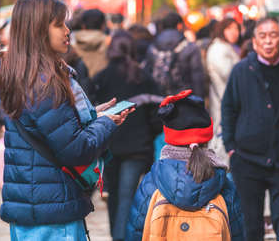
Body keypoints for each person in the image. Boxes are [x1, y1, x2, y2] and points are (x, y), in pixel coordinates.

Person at [0, 0, 132, 241]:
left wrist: (91, 115)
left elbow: (52, 131)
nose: (67, 31)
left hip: (35, 205)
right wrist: (104, 123)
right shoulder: (45, 83)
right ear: (37, 29)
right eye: (59, 24)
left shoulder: (21, 75)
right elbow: (76, 149)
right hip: (52, 213)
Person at [222, 17, 279, 241]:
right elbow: (229, 109)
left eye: (273, 36)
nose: (268, 41)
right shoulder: (241, 70)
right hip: (248, 158)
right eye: (263, 36)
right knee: (251, 225)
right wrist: (231, 147)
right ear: (254, 41)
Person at [125, 89, 245, 241]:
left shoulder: (151, 183)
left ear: (170, 138)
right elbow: (238, 233)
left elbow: (136, 231)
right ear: (207, 139)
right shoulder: (225, 186)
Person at [92, 31, 161, 241]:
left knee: (114, 197)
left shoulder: (101, 77)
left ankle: (117, 236)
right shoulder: (143, 77)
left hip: (109, 146)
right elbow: (156, 115)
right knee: (127, 197)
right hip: (137, 147)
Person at [143, 12, 206, 97]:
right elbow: (197, 76)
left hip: (159, 96)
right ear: (179, 25)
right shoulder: (189, 46)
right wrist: (199, 99)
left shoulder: (153, 46)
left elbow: (148, 70)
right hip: (183, 96)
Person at [206, 18, 241, 163]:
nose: (234, 32)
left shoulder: (225, 47)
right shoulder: (219, 49)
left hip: (226, 101)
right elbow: (229, 73)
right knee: (222, 147)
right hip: (224, 102)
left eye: (237, 28)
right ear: (222, 30)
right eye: (230, 28)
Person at [72, 8, 110, 78]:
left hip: (79, 87)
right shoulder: (110, 43)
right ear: (103, 25)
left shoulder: (71, 45)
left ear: (83, 25)